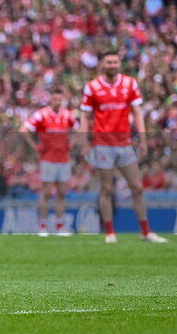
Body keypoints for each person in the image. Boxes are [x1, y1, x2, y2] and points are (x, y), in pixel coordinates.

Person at [78, 51, 168, 243]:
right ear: (101, 64)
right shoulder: (92, 87)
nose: (112, 65)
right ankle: (110, 233)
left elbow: (137, 111)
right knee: (106, 189)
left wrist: (142, 138)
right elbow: (85, 116)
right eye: (109, 62)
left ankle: (145, 232)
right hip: (103, 144)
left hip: (125, 143)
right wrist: (84, 141)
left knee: (137, 187)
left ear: (120, 64)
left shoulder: (129, 83)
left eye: (115, 62)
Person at [22, 87, 76, 236]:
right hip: (48, 159)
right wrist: (34, 146)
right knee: (45, 193)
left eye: (59, 99)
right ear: (50, 99)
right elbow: (24, 129)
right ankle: (43, 226)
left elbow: (78, 129)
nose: (57, 102)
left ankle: (59, 227)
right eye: (54, 99)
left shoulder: (67, 114)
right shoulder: (42, 114)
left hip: (64, 159)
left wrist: (72, 143)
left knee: (61, 193)